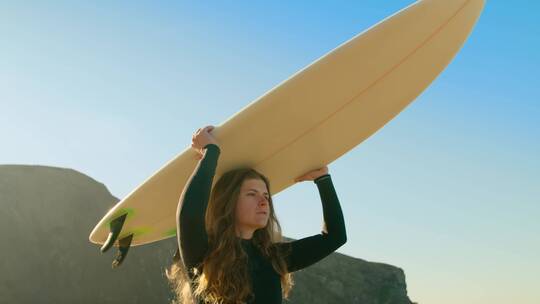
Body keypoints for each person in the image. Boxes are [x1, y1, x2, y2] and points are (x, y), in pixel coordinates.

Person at [166, 125, 347, 304]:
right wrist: (210, 152)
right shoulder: (205, 253)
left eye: (266, 196)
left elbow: (335, 237)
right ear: (229, 203)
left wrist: (323, 179)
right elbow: (189, 216)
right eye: (252, 194)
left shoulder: (274, 257)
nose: (263, 202)